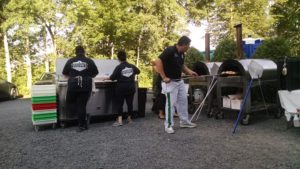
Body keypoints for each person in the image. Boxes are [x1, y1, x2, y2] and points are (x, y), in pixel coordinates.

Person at [154, 36, 198, 134]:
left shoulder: (182, 54)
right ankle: (168, 125)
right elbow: (158, 61)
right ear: (183, 44)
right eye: (188, 45)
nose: (188, 47)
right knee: (171, 104)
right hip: (170, 83)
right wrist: (164, 77)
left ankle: (184, 121)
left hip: (179, 81)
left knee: (183, 101)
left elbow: (182, 66)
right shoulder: (170, 50)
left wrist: (190, 72)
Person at [62, 45, 99, 132]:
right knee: (81, 105)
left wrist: (72, 77)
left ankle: (82, 124)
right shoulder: (89, 61)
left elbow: (65, 73)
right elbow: (95, 73)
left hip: (73, 85)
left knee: (70, 102)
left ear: (75, 52)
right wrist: (87, 76)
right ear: (84, 52)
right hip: (86, 85)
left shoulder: (70, 61)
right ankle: (83, 122)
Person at [105, 50, 140, 126]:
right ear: (126, 57)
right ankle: (130, 119)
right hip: (131, 87)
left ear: (118, 59)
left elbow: (112, 77)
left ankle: (120, 121)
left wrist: (105, 78)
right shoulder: (132, 66)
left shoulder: (119, 67)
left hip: (121, 88)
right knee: (130, 103)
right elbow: (138, 71)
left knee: (120, 104)